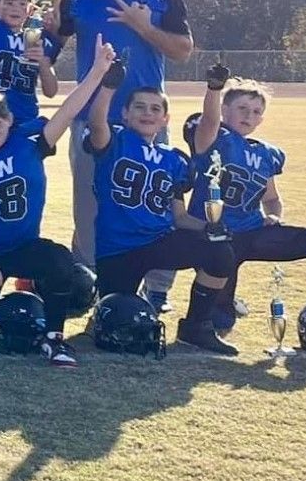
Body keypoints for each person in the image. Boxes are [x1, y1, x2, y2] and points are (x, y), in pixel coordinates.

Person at [0, 37, 117, 367]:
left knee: (59, 260)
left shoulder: (30, 143)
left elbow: (68, 109)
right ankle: (0, 296)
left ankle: (53, 337)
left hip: (23, 246)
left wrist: (97, 72)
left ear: (9, 120)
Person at [184, 66, 306, 353]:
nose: (248, 116)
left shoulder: (266, 153)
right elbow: (209, 122)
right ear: (225, 109)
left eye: (255, 111)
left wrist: (274, 214)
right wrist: (214, 90)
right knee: (220, 319)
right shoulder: (213, 138)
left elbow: (271, 198)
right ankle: (219, 307)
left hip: (252, 232)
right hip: (217, 239)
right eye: (242, 108)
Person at [58, 0, 195, 311]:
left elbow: (183, 49)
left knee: (153, 205)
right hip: (92, 118)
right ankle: (88, 281)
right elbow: (52, 40)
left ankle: (156, 289)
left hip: (146, 121)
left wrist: (143, 26)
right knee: (89, 204)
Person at [82, 69, 236, 354]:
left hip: (158, 241)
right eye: (139, 106)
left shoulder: (173, 159)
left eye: (155, 109)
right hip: (117, 249)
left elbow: (179, 218)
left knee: (219, 252)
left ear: (165, 119)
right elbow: (96, 121)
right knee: (119, 319)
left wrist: (207, 227)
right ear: (125, 114)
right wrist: (108, 87)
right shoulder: (115, 140)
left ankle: (196, 326)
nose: (147, 113)